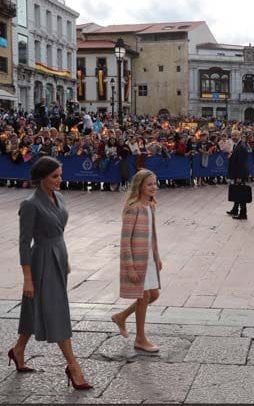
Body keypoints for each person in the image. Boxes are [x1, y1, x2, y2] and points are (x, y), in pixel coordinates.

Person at [10, 157, 92, 390]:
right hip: (41, 260)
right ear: (42, 177)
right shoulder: (30, 204)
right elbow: (24, 243)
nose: (60, 180)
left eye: (61, 175)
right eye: (55, 176)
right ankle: (73, 366)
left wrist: (65, 260)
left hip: (59, 254)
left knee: (34, 306)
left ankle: (18, 350)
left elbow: (59, 231)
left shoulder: (61, 197)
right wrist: (27, 278)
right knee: (56, 310)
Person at [111, 169, 163, 353]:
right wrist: (130, 266)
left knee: (154, 295)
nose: (153, 187)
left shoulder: (151, 206)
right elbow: (125, 240)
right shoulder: (133, 208)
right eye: (149, 184)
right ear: (139, 186)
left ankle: (121, 316)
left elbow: (152, 236)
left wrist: (157, 257)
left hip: (149, 258)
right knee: (144, 296)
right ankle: (140, 338)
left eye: (155, 183)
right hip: (137, 260)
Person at [227, 130, 250, 219]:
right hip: (237, 173)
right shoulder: (237, 145)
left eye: (236, 135)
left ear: (240, 135)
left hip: (240, 174)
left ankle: (243, 213)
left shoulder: (241, 146)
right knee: (237, 192)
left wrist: (239, 176)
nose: (233, 137)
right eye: (232, 135)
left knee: (241, 194)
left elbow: (241, 163)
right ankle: (235, 209)